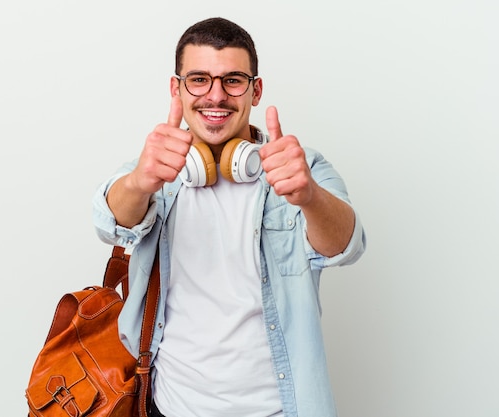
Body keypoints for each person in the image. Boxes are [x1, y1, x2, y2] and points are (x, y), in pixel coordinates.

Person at [93, 17, 366, 417]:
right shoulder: (155, 171)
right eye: (199, 79)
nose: (216, 96)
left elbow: (348, 245)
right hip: (172, 406)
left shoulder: (298, 168)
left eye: (233, 80)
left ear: (256, 91)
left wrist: (308, 196)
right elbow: (108, 222)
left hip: (281, 409)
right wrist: (139, 182)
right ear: (177, 89)